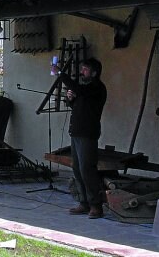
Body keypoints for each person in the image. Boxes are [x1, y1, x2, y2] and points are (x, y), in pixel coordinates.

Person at [53, 57, 107, 219]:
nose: (82, 71)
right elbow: (78, 104)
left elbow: (80, 90)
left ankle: (96, 205)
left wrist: (61, 74)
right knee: (77, 168)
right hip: (76, 132)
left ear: (94, 72)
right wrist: (71, 100)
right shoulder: (86, 89)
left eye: (85, 69)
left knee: (87, 169)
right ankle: (84, 203)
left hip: (87, 133)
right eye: (82, 68)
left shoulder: (97, 87)